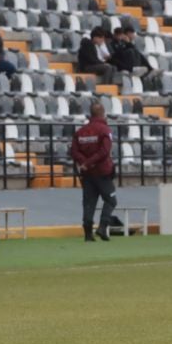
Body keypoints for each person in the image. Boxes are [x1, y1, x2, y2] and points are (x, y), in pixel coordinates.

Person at [70, 100, 117, 243]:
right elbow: (104, 151)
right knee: (111, 200)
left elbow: (73, 151)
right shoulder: (105, 130)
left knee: (89, 203)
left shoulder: (80, 132)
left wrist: (84, 163)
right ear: (103, 114)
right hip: (102, 173)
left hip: (87, 174)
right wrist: (90, 162)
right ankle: (102, 227)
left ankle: (88, 234)